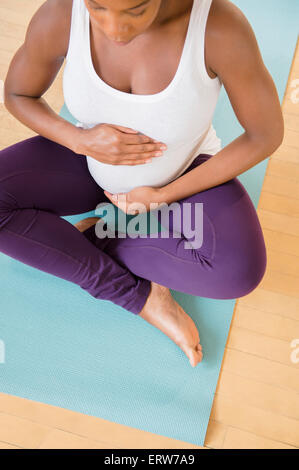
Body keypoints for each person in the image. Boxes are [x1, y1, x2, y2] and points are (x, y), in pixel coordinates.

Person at [1, 0, 283, 367]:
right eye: (97, 7)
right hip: (89, 162)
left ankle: (102, 237)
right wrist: (78, 140)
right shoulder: (61, 13)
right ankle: (139, 295)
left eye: (135, 10)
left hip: (183, 174)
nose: (114, 29)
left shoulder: (218, 26)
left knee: (237, 272)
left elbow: (265, 134)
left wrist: (163, 196)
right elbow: (18, 94)